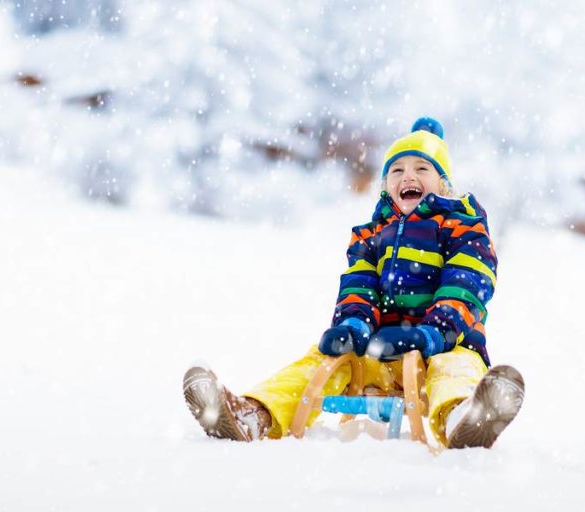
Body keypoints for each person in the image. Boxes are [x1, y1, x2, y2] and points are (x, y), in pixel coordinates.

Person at [183, 117, 524, 449]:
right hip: (379, 351)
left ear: (443, 184)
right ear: (386, 185)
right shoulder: (372, 236)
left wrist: (433, 334)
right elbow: (358, 286)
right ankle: (254, 415)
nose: (409, 176)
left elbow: (466, 284)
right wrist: (353, 325)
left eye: (422, 169)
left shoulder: (463, 228)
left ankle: (464, 418)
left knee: (456, 369)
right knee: (316, 363)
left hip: (445, 345)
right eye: (397, 170)